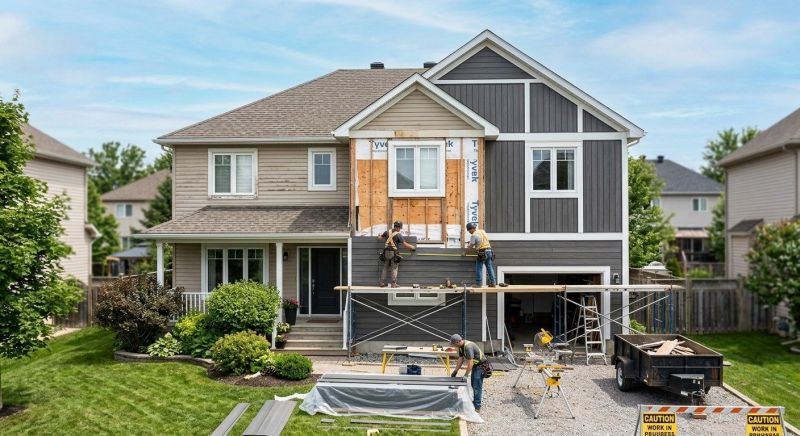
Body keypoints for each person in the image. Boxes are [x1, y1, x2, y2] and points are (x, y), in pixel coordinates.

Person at [450, 333, 485, 412]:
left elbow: (470, 363)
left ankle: (477, 407)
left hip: (481, 366)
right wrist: (455, 371)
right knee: (473, 384)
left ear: (458, 342)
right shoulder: (461, 347)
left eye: (454, 344)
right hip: (476, 366)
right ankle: (475, 403)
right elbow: (460, 359)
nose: (454, 346)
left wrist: (466, 375)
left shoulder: (468, 347)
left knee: (476, 386)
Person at [378, 220, 416, 287]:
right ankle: (393, 284)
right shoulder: (398, 235)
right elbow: (405, 244)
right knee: (394, 268)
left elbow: (379, 238)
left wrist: (378, 235)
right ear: (399, 227)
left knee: (385, 268)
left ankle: (382, 283)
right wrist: (412, 247)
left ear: (394, 226)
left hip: (386, 253)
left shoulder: (387, 232)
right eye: (400, 228)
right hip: (393, 253)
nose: (399, 229)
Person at [466, 222, 496, 287]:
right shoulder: (482, 231)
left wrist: (465, 252)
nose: (469, 232)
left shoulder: (473, 235)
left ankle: (479, 284)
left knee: (479, 267)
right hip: (489, 250)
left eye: (469, 230)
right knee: (489, 267)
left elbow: (471, 247)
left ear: (471, 229)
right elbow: (481, 240)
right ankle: (493, 282)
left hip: (482, 252)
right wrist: (473, 242)